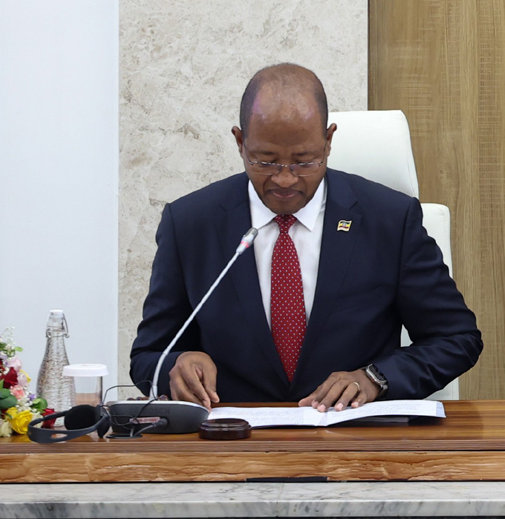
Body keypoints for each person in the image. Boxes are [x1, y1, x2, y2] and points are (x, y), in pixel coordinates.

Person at [129, 63, 482, 408]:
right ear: (240, 142)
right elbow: (149, 356)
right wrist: (177, 365)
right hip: (231, 445)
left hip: (356, 446)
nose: (285, 179)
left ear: (329, 141)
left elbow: (456, 339)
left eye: (304, 161)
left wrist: (376, 378)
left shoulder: (388, 220)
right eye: (265, 161)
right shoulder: (191, 223)